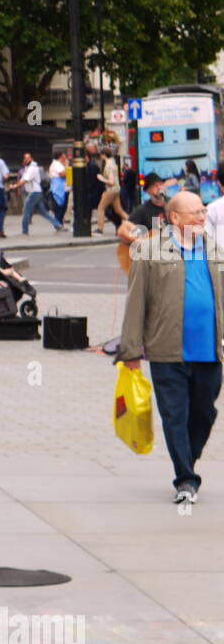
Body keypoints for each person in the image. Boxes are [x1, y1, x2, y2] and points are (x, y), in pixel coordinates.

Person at [117, 190, 223, 503]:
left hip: (209, 351)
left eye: (203, 212)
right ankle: (186, 479)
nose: (202, 218)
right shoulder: (150, 252)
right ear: (174, 218)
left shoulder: (215, 251)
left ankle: (187, 457)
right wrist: (131, 351)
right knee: (175, 415)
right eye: (195, 213)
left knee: (204, 413)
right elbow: (135, 303)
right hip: (166, 350)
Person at [117, 173, 167, 247]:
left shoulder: (174, 204)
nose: (159, 187)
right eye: (154, 186)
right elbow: (122, 230)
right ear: (147, 191)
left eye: (160, 184)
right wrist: (138, 241)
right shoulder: (142, 210)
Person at [19, 152, 62, 234]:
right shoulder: (28, 168)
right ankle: (57, 225)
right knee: (43, 212)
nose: (26, 159)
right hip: (36, 192)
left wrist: (15, 186)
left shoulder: (32, 168)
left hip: (34, 192)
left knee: (26, 210)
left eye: (28, 158)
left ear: (31, 159)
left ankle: (25, 231)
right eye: (25, 158)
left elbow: (25, 180)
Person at [96, 151, 127, 235]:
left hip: (110, 190)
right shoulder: (113, 163)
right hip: (116, 189)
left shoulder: (109, 165)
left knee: (100, 208)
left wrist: (101, 178)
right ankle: (134, 224)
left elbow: (111, 181)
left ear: (103, 155)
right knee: (119, 210)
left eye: (101, 155)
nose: (101, 157)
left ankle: (100, 229)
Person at [48, 149, 70, 225]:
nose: (65, 157)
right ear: (61, 156)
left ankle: (60, 224)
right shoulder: (57, 164)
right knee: (59, 208)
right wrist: (67, 166)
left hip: (61, 188)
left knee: (62, 208)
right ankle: (58, 225)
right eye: (64, 155)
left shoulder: (58, 164)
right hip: (58, 190)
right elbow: (62, 174)